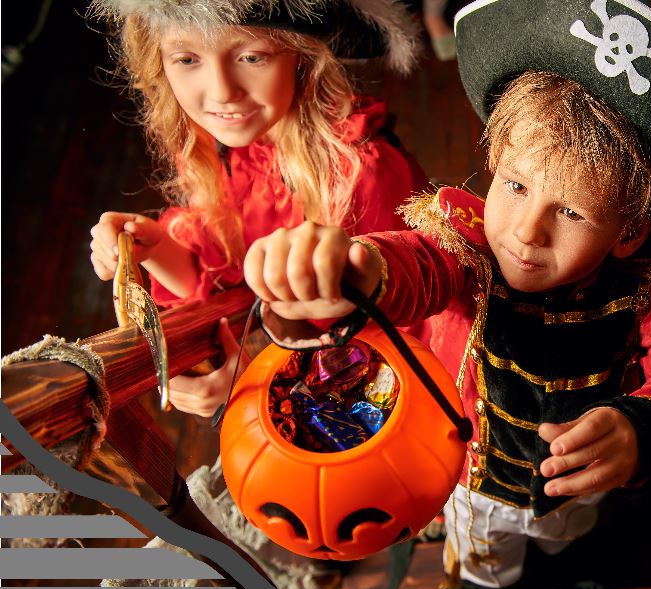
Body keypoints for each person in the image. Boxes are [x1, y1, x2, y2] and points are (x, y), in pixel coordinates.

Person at [241, 0, 651, 589]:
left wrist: (642, 429)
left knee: (565, 549)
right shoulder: (468, 254)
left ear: (629, 232)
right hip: (471, 484)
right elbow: (420, 265)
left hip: (580, 492)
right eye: (514, 186)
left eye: (570, 211)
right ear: (493, 167)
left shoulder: (643, 295)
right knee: (483, 579)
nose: (525, 232)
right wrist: (359, 269)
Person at [85, 0, 429, 416]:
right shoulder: (228, 147)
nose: (222, 92)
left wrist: (255, 385)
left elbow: (385, 352)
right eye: (187, 58)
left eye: (252, 56)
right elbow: (226, 267)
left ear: (300, 55)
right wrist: (154, 249)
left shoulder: (361, 174)